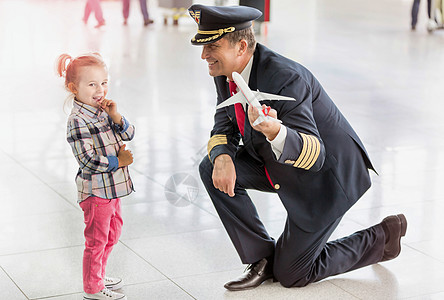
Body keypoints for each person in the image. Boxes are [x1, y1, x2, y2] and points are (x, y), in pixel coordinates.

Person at [189, 4, 408, 291]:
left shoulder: (285, 78)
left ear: (241, 46)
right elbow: (224, 121)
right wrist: (222, 156)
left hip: (325, 179)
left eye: (212, 46)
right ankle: (262, 259)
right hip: (277, 166)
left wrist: (277, 131)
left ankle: (383, 238)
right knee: (211, 165)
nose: (204, 55)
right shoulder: (226, 70)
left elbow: (315, 156)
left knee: (293, 275)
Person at [56, 53, 135, 300]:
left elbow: (130, 133)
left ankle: (98, 274)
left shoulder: (102, 111)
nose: (100, 89)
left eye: (104, 82)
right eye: (92, 84)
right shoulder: (78, 121)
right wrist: (118, 161)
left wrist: (115, 115)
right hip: (96, 190)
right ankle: (92, 287)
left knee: (114, 232)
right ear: (73, 88)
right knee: (97, 239)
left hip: (113, 188)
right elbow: (87, 160)